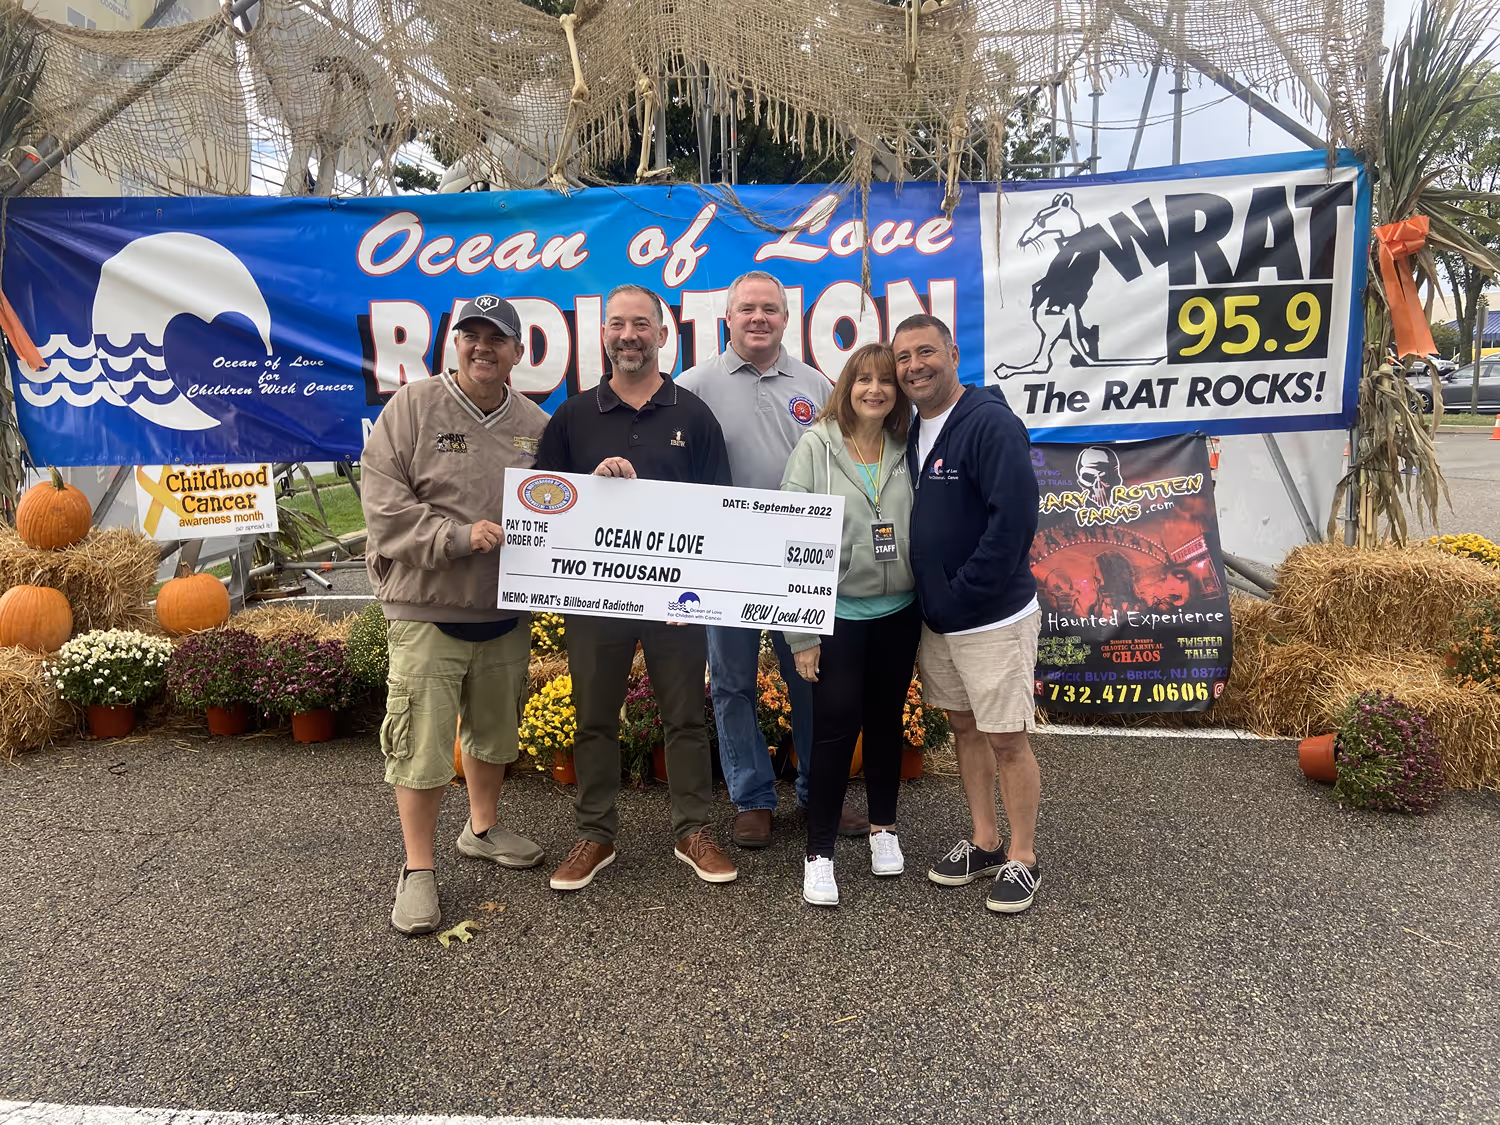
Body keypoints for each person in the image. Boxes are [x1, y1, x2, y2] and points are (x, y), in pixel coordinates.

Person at [535, 283, 738, 892]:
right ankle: (596, 834)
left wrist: (698, 588)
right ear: (602, 335)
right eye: (617, 324)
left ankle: (692, 829)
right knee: (595, 716)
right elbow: (542, 509)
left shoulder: (692, 414)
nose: (629, 335)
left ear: (661, 334)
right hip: (595, 598)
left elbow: (717, 507)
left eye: (641, 324)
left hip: (675, 600)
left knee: (684, 717)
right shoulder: (573, 415)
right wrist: (589, 487)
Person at [362, 295, 550, 936]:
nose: (482, 347)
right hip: (427, 604)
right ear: (455, 344)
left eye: (496, 339)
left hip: (504, 608)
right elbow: (384, 507)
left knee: (494, 734)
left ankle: (483, 828)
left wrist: (603, 479)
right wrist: (455, 537)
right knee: (420, 741)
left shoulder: (536, 423)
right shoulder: (411, 408)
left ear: (518, 352)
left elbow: (569, 504)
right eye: (470, 336)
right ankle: (418, 869)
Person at [676, 270, 864, 849]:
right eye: (748, 309)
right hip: (722, 558)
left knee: (809, 677)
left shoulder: (814, 384)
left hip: (794, 560)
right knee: (731, 683)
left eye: (771, 309)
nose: (759, 318)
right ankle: (752, 798)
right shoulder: (693, 386)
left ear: (787, 319)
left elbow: (838, 467)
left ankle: (816, 791)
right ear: (727, 317)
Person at [892, 313, 1045, 915]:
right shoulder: (913, 428)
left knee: (1007, 736)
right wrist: (937, 601)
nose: (913, 368)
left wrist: (960, 593)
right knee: (963, 729)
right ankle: (984, 839)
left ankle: (1024, 856)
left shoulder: (990, 424)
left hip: (990, 617)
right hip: (939, 617)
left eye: (925, 352)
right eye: (903, 358)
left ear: (953, 354)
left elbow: (1013, 525)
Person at [780, 342, 920, 907]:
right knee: (835, 728)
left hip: (899, 611)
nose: (875, 390)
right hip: (837, 614)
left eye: (886, 381)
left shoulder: (907, 446)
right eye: (863, 379)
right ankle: (819, 854)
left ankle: (884, 829)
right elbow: (792, 539)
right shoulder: (816, 447)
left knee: (886, 722)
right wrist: (801, 634)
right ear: (846, 386)